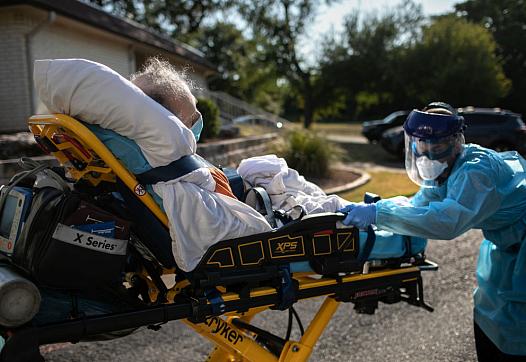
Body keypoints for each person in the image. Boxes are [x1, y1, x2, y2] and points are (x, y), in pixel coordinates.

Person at [339, 102, 526, 361]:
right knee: (489, 315)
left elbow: (447, 221)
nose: (428, 154)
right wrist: (377, 208)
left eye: (436, 147)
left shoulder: (476, 171)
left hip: (522, 249)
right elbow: (420, 204)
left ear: (457, 142)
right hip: (506, 249)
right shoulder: (446, 167)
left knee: (517, 328)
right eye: (422, 147)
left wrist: (378, 215)